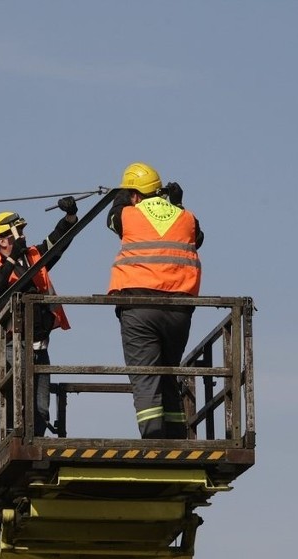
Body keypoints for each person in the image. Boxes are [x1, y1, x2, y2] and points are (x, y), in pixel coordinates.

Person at [107, 162, 203, 440]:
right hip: (179, 312)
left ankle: (154, 442)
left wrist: (120, 196)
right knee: (168, 374)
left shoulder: (128, 215)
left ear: (134, 195)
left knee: (146, 379)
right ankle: (175, 436)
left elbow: (112, 218)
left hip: (140, 308)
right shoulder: (186, 217)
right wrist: (179, 204)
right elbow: (198, 238)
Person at [0, 197, 79, 436]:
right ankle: (12, 437)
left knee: (40, 404)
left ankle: (36, 440)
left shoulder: (34, 256)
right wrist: (13, 258)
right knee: (16, 399)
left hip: (39, 343)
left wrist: (70, 217)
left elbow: (59, 240)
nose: (23, 235)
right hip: (11, 343)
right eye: (18, 232)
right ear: (2, 239)